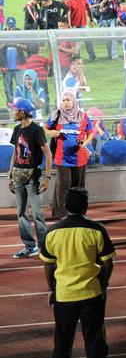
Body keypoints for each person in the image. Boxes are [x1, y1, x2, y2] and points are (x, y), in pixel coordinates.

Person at [40, 187, 115, 358]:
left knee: (63, 342)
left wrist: (52, 289)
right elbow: (108, 263)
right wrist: (103, 283)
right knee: (94, 342)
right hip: (91, 293)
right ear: (86, 207)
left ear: (65, 206)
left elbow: (48, 265)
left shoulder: (53, 232)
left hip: (64, 296)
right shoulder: (97, 229)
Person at [9, 98, 52, 259]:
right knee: (21, 212)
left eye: (16, 110)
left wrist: (47, 178)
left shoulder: (36, 130)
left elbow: (48, 153)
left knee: (37, 213)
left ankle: (44, 246)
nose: (14, 112)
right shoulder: (16, 129)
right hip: (18, 176)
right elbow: (16, 153)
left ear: (23, 112)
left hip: (33, 177)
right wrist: (10, 175)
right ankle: (29, 246)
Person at [45, 91, 93, 219]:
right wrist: (51, 133)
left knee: (78, 187)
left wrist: (86, 143)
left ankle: (79, 212)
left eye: (68, 100)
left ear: (74, 101)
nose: (65, 102)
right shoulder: (57, 115)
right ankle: (62, 214)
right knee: (64, 184)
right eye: (63, 100)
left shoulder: (83, 116)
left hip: (80, 157)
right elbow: (45, 128)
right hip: (62, 157)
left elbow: (91, 133)